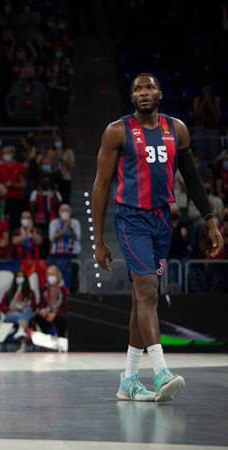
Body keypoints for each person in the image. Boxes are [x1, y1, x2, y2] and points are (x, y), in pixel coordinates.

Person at [92, 73, 224, 403]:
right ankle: (161, 371)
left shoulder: (176, 129)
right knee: (148, 292)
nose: (144, 92)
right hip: (131, 219)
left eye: (149, 87)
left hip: (162, 220)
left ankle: (128, 380)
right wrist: (98, 240)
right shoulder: (117, 131)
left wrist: (210, 220)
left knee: (142, 299)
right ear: (131, 97)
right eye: (137, 88)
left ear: (160, 93)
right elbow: (101, 185)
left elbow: (191, 177)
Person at [1, 270, 35, 352]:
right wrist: (11, 309)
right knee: (23, 319)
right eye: (18, 276)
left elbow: (33, 307)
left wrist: (24, 308)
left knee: (27, 311)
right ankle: (23, 342)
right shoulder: (9, 293)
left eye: (22, 276)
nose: (20, 278)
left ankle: (21, 329)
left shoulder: (30, 293)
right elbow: (2, 306)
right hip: (12, 315)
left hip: (25, 313)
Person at [32, 265, 68, 338]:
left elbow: (66, 307)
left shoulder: (64, 290)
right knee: (37, 317)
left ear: (57, 275)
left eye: (52, 274)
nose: (50, 277)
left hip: (58, 315)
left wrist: (55, 314)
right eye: (48, 274)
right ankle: (44, 337)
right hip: (47, 314)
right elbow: (41, 304)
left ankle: (62, 338)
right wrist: (43, 310)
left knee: (62, 318)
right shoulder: (45, 289)